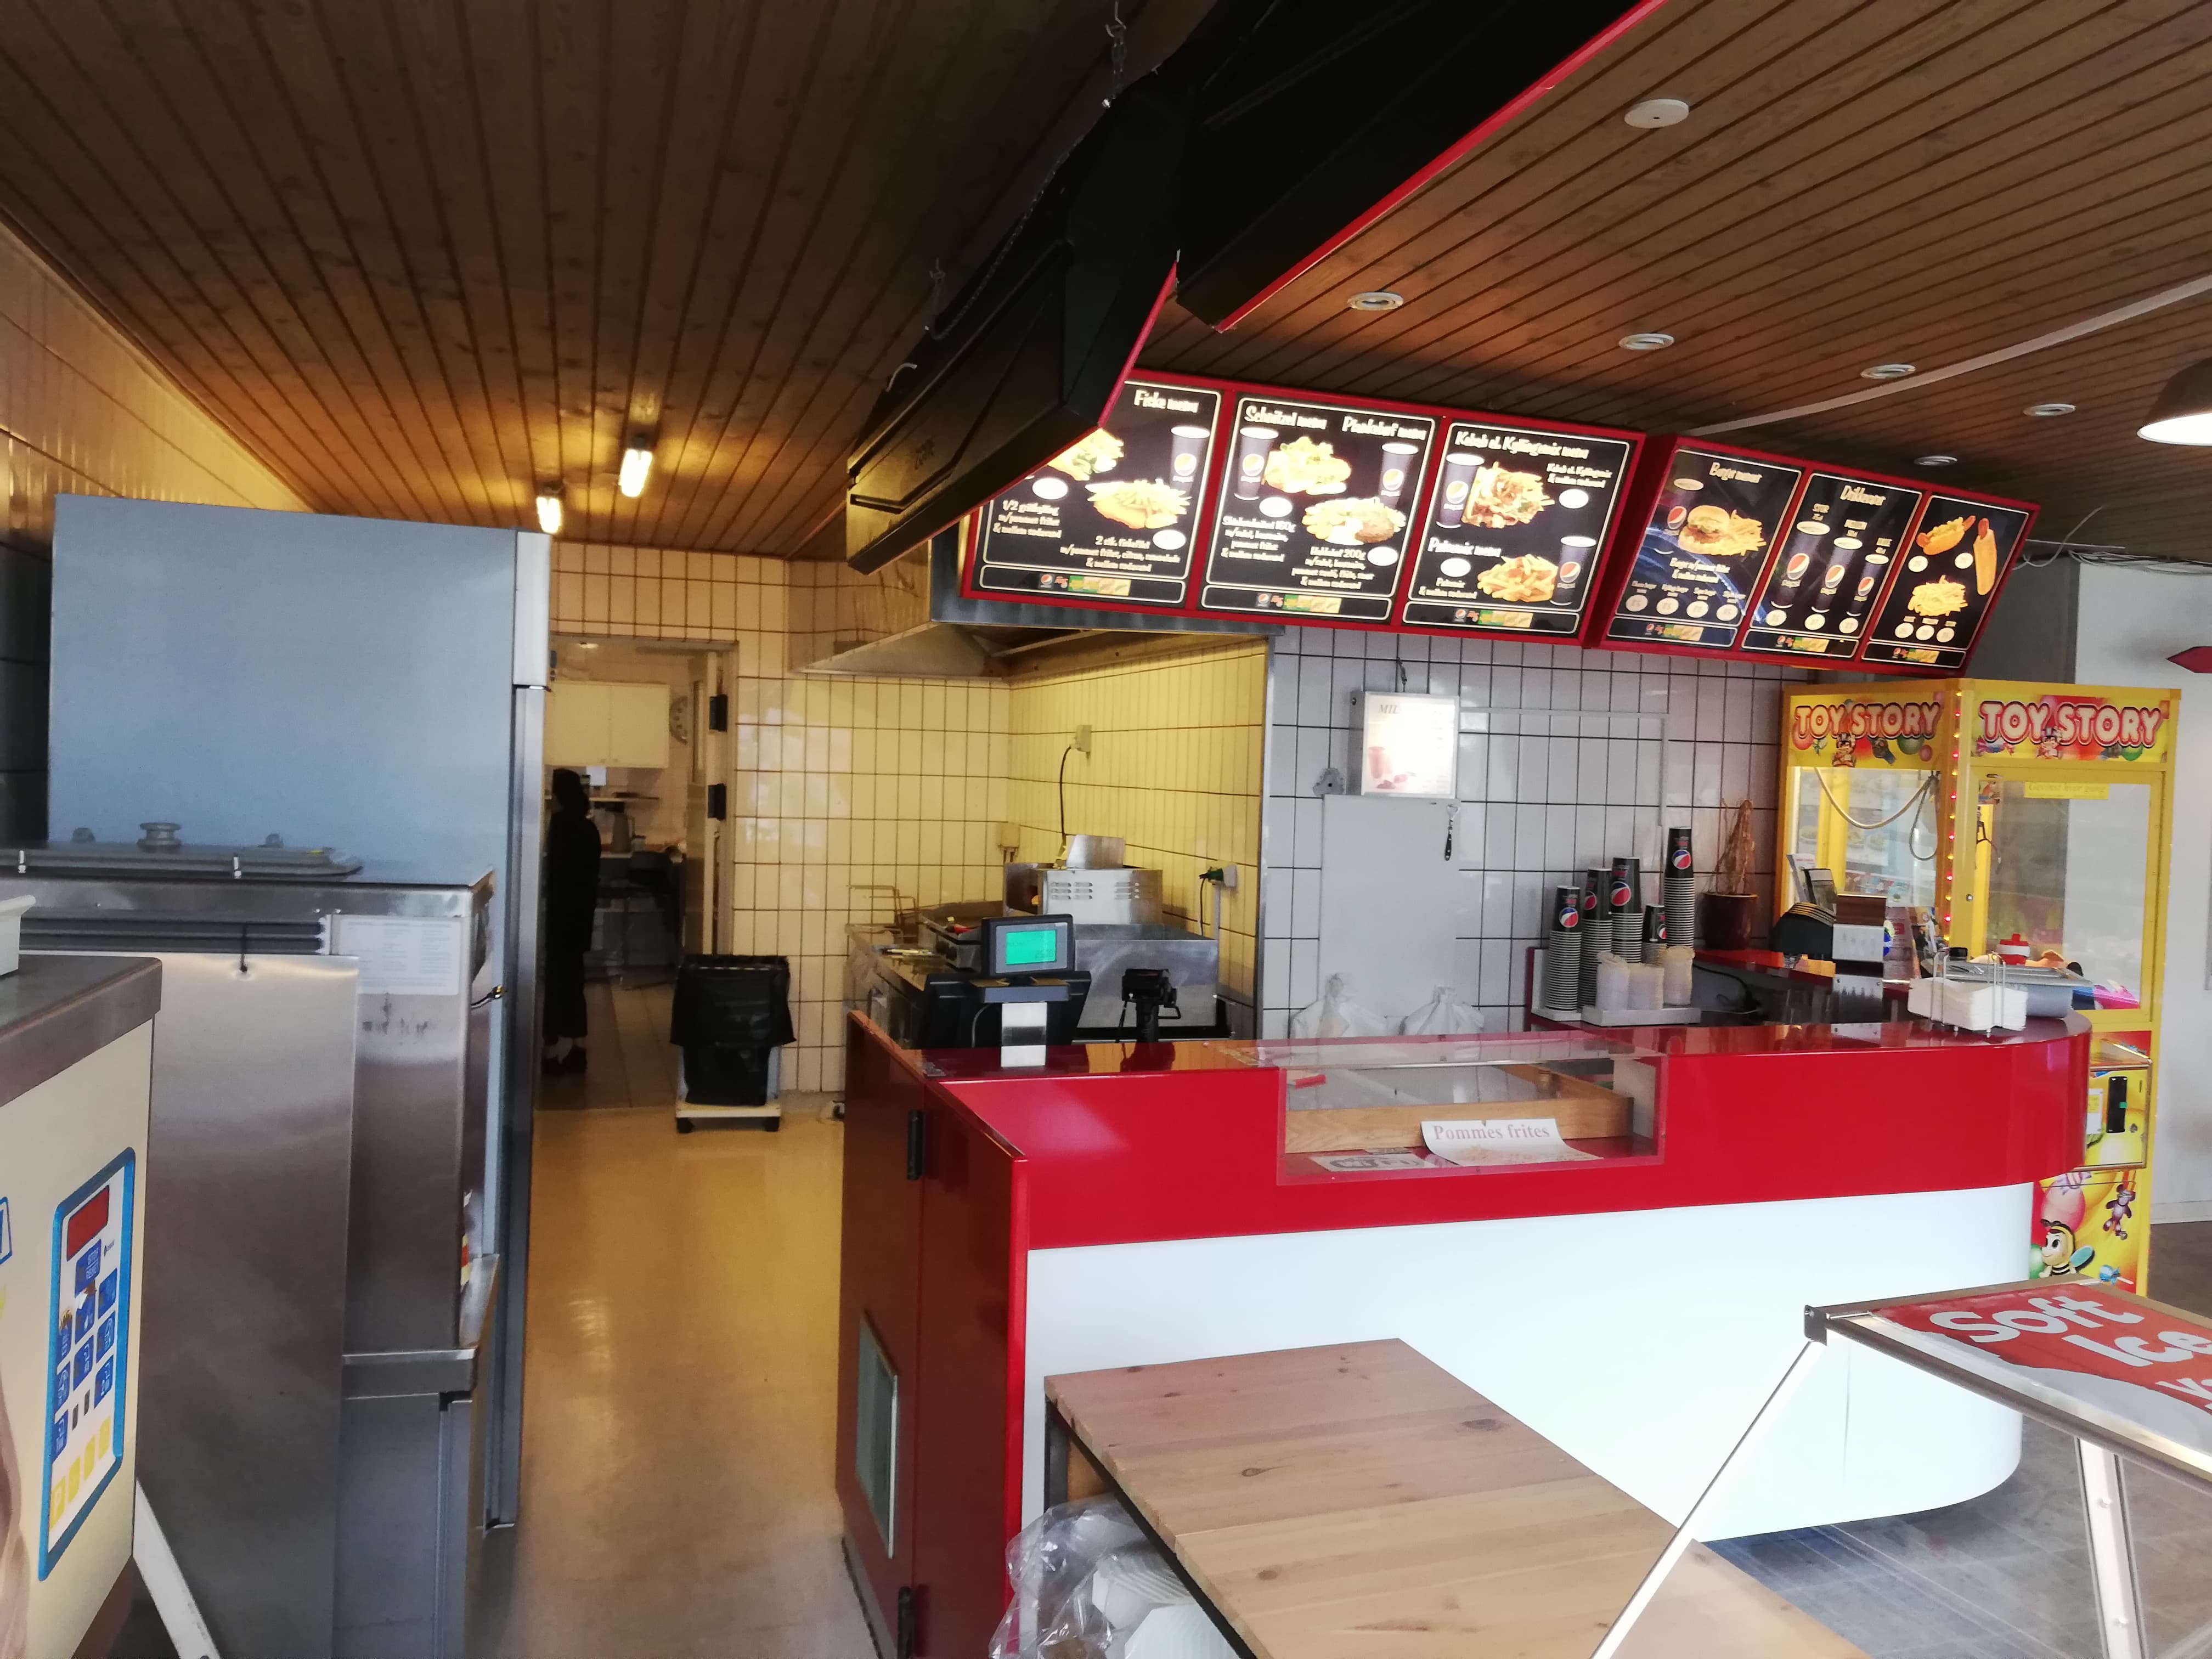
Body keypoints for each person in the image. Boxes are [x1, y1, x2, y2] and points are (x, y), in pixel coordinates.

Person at [543, 768, 602, 1074]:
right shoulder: (588, 828)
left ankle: (551, 1051)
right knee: (574, 983)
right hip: (580, 919)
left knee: (555, 985)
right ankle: (579, 1048)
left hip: (559, 919)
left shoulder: (560, 827)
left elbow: (554, 876)